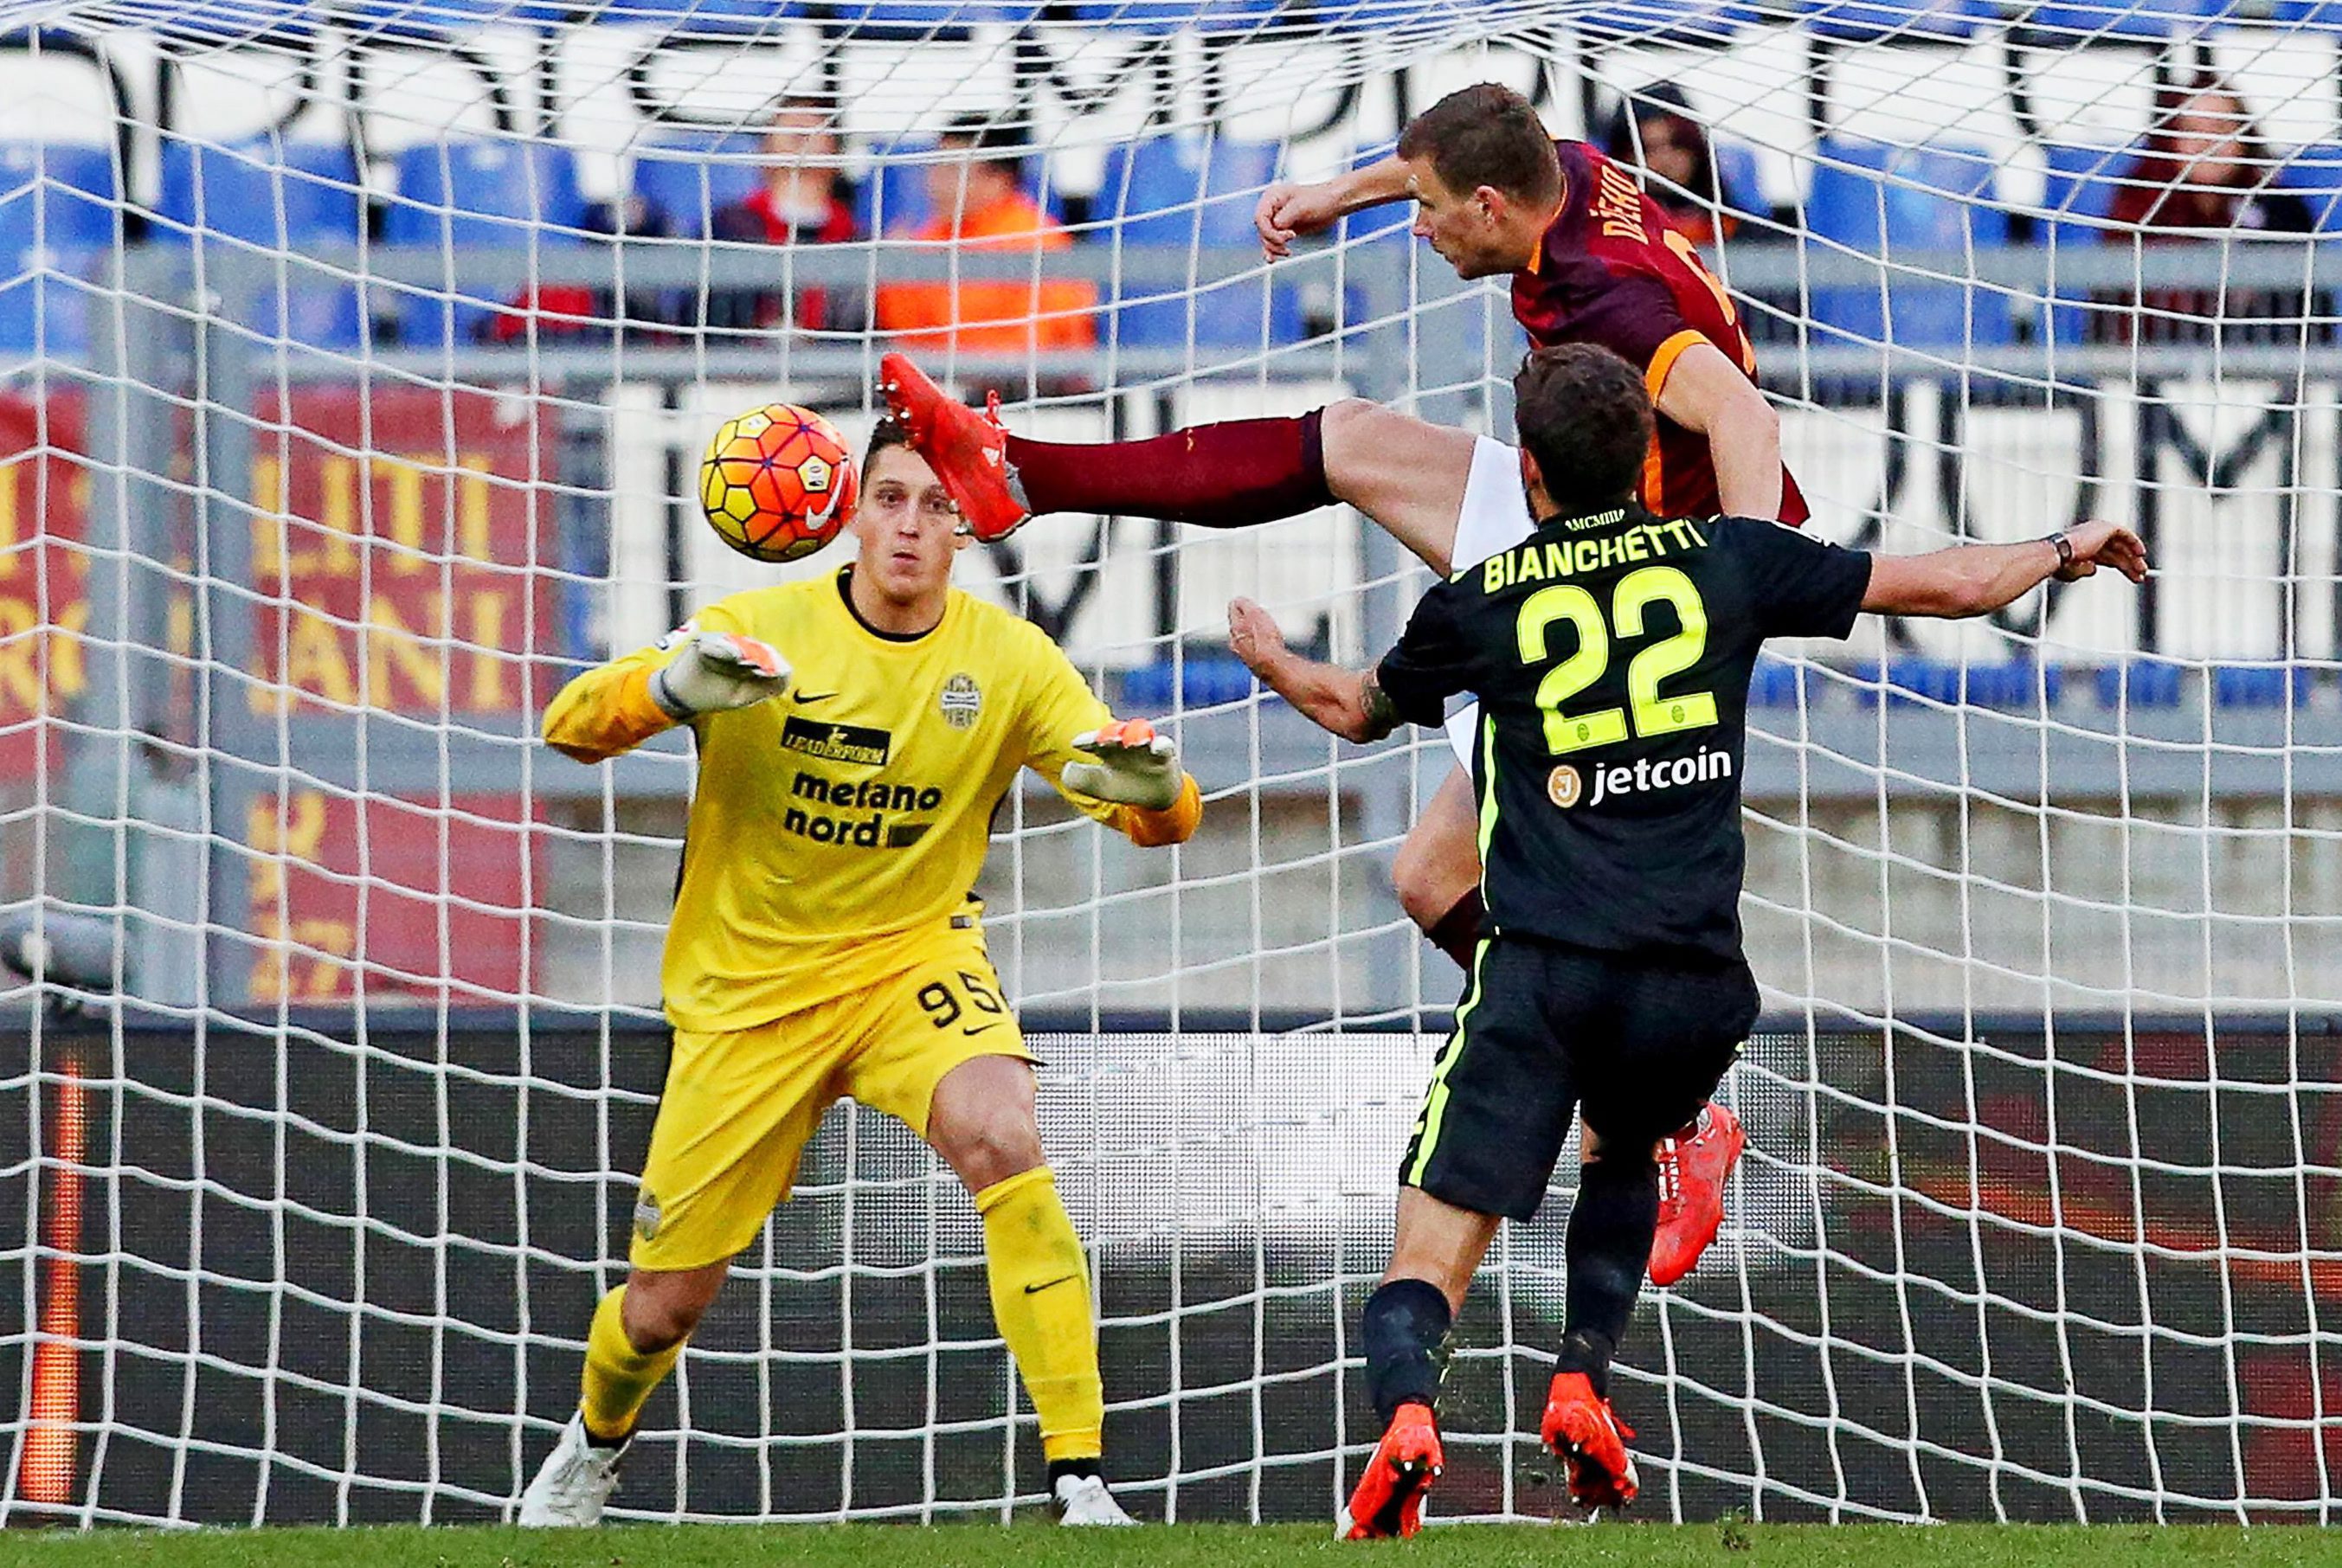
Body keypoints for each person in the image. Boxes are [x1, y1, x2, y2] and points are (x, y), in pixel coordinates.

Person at [879, 80, 1801, 1288]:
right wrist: (1335, 193)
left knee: (1434, 875)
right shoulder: (1559, 168)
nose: (1412, 229)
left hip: (1639, 592)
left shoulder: (1612, 301)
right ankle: (1019, 473)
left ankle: (1667, 1118)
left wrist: (1729, 583)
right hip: (1588, 525)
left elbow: (1736, 412)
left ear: (1487, 203)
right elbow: (1462, 144)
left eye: (1422, 210)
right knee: (1355, 449)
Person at [1224, 342, 2147, 1537]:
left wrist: (1268, 656)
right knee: (1620, 1153)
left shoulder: (1483, 600)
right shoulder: (1730, 561)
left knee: (1425, 1245)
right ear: (1651, 463)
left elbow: (1353, 711)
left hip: (1542, 970)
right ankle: (1579, 1380)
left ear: (1533, 480)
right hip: (1693, 985)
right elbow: (1952, 587)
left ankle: (1408, 1416)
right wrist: (2069, 546)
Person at [519, 419, 1204, 1529]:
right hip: (749, 995)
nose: (910, 526)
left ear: (967, 527)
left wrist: (1159, 784)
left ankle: (1080, 1480)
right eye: (890, 498)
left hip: (909, 963)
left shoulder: (1011, 660)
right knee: (660, 1308)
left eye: (937, 507)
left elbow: (1156, 821)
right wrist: (674, 688)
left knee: (1004, 1131)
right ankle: (593, 1445)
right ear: (849, 509)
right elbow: (567, 728)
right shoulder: (760, 632)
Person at [2091, 74, 2313, 345]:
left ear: (2245, 137)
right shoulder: (2139, 205)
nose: (2207, 142)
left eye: (2220, 128)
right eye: (2191, 129)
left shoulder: (2280, 207)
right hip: (2148, 366)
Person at [872, 112, 1096, 357]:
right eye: (935, 168)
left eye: (951, 171)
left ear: (998, 180)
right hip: (943, 381)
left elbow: (1043, 346)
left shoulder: (1037, 242)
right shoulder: (929, 241)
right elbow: (908, 340)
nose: (934, 183)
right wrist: (894, 274)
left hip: (1022, 385)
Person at [709, 95, 864, 335]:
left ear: (837, 153)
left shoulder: (857, 241)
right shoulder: (728, 227)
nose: (801, 124)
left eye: (816, 119)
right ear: (764, 150)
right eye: (789, 118)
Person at [1602, 81, 1739, 249]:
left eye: (1677, 145)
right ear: (1624, 157)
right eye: (1647, 149)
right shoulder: (1609, 237)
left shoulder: (1739, 231)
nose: (1665, 160)